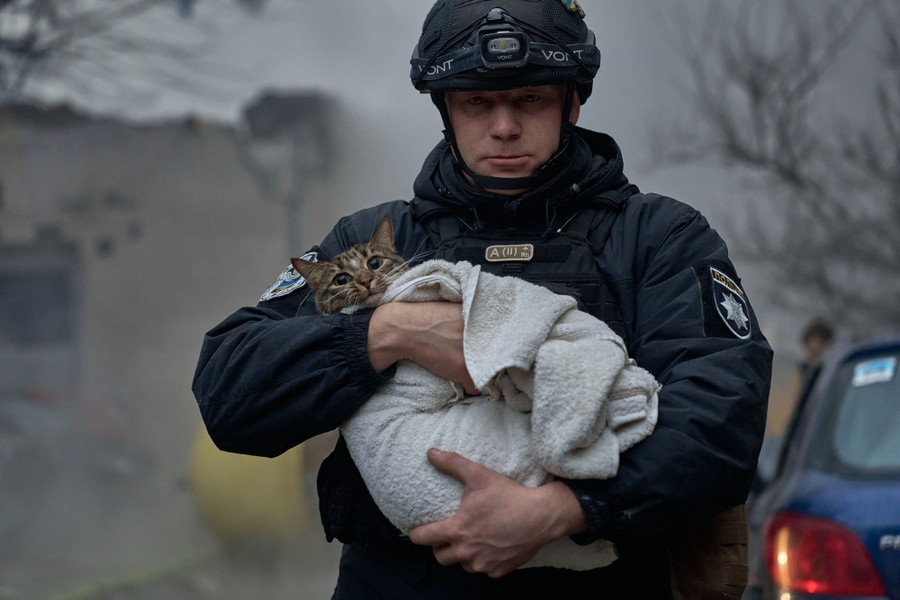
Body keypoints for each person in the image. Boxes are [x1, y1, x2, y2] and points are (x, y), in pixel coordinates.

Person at [192, 1, 773, 597]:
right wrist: (387, 335)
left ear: (572, 102)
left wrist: (563, 509)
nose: (503, 126)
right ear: (446, 108)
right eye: (477, 102)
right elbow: (228, 390)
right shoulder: (373, 243)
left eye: (530, 100)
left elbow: (723, 417)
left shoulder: (659, 239)